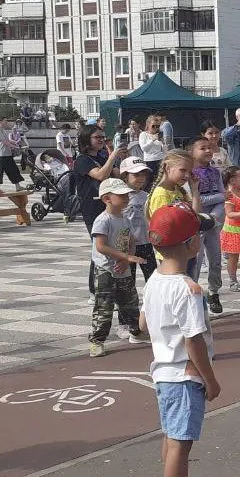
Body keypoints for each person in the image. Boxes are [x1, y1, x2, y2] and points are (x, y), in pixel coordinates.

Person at [139, 203, 225, 477]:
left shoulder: (155, 280)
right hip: (183, 375)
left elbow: (143, 324)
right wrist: (210, 379)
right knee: (180, 444)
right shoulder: (188, 289)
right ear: (191, 243)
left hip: (163, 372)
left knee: (171, 438)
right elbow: (194, 341)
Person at [88, 178, 147, 357]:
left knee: (130, 303)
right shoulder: (103, 220)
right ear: (107, 199)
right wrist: (125, 257)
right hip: (105, 269)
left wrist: (126, 260)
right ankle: (97, 341)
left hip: (123, 268)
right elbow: (101, 246)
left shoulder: (125, 218)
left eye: (127, 195)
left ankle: (136, 332)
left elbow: (131, 242)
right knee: (104, 306)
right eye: (121, 196)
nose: (126, 198)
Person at [74, 125, 121, 290]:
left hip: (109, 207)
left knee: (111, 247)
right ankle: (95, 290)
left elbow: (117, 175)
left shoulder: (102, 156)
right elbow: (100, 175)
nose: (101, 140)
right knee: (100, 249)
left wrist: (114, 155)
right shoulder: (82, 160)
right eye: (97, 137)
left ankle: (108, 288)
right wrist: (112, 156)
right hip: (92, 209)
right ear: (87, 139)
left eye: (103, 137)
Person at [190, 137, 226, 314]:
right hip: (196, 222)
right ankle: (193, 291)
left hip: (213, 221)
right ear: (192, 152)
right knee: (195, 260)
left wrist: (214, 216)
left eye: (210, 148)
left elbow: (222, 196)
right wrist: (220, 197)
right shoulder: (190, 174)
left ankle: (214, 292)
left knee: (215, 258)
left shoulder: (215, 172)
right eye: (202, 148)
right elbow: (196, 199)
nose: (208, 151)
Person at [0, 116, 26, 189]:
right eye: (5, 120)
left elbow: (7, 140)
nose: (6, 122)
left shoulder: (2, 129)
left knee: (13, 169)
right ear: (0, 121)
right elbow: (4, 142)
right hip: (1, 154)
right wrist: (15, 147)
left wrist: (15, 143)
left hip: (7, 153)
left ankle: (17, 186)